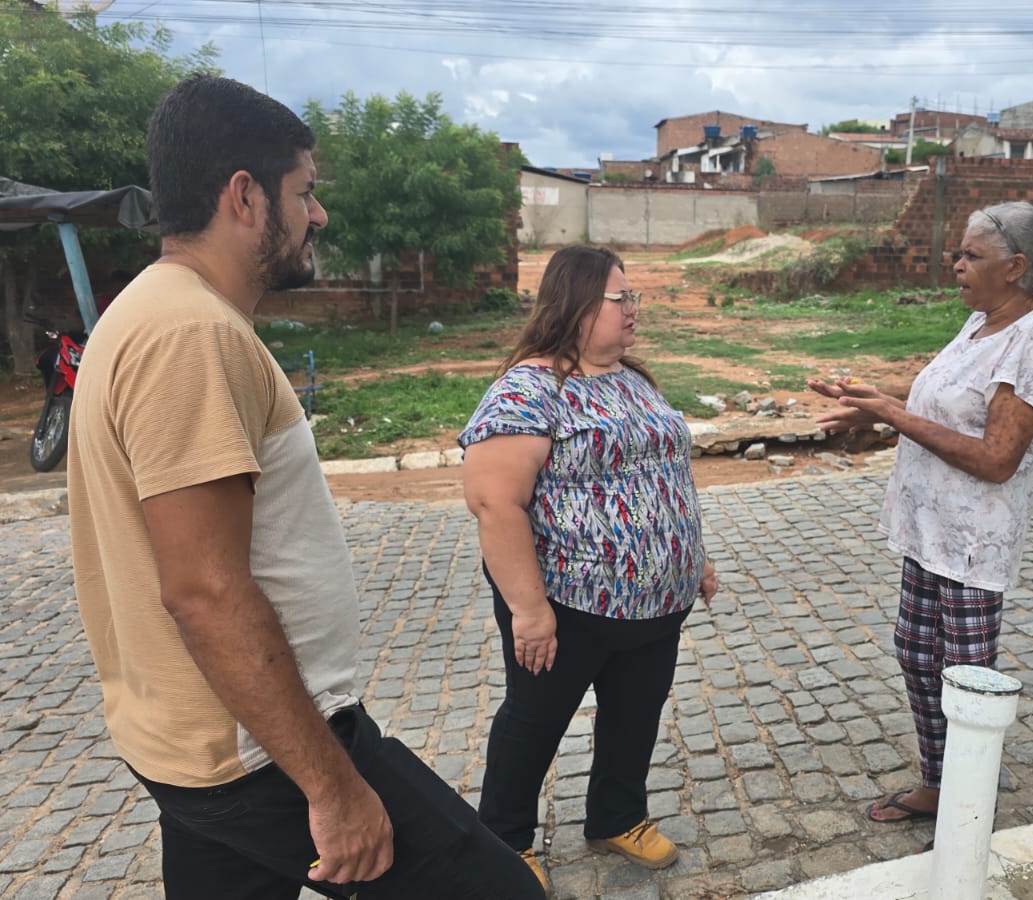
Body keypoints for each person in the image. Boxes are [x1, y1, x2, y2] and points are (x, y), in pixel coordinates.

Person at [66, 75, 542, 900]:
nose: (317, 215)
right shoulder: (191, 334)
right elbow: (205, 590)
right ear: (245, 197)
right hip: (258, 753)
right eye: (305, 191)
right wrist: (332, 788)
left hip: (198, 743)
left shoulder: (147, 309)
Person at [459, 244, 719, 894]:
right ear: (574, 304)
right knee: (535, 720)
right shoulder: (528, 389)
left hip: (658, 605)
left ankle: (617, 816)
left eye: (634, 297)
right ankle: (504, 839)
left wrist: (696, 557)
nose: (634, 309)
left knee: (636, 714)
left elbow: (668, 474)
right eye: (620, 298)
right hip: (565, 606)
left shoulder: (632, 378)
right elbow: (494, 501)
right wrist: (528, 609)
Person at [808, 201, 1033, 824]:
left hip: (975, 543)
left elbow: (997, 458)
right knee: (918, 655)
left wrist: (892, 413)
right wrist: (874, 411)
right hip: (931, 533)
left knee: (967, 678)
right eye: (959, 252)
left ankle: (969, 816)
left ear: (1016, 267)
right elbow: (947, 413)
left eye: (971, 256)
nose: (956, 265)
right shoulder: (980, 323)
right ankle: (938, 780)